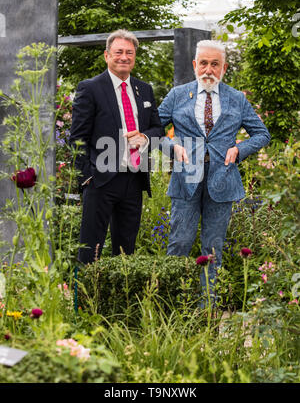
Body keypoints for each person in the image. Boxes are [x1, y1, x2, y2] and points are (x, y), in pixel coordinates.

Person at [158, 40, 271, 300]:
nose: (209, 70)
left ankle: (206, 312)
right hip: (186, 178)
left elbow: (262, 134)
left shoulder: (236, 99)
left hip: (223, 179)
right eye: (204, 63)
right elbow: (155, 129)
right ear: (195, 65)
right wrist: (173, 146)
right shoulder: (177, 95)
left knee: (213, 249)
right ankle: (170, 305)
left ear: (224, 68)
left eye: (215, 64)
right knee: (180, 243)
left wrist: (239, 150)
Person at [70, 29, 164, 264]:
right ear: (107, 55)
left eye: (129, 53)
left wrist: (145, 137)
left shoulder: (145, 89)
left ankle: (118, 299)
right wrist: (87, 177)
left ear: (134, 56)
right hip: (101, 180)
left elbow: (158, 129)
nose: (124, 57)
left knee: (126, 252)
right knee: (90, 249)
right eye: (119, 52)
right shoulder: (90, 88)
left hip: (133, 179)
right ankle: (85, 299)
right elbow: (77, 139)